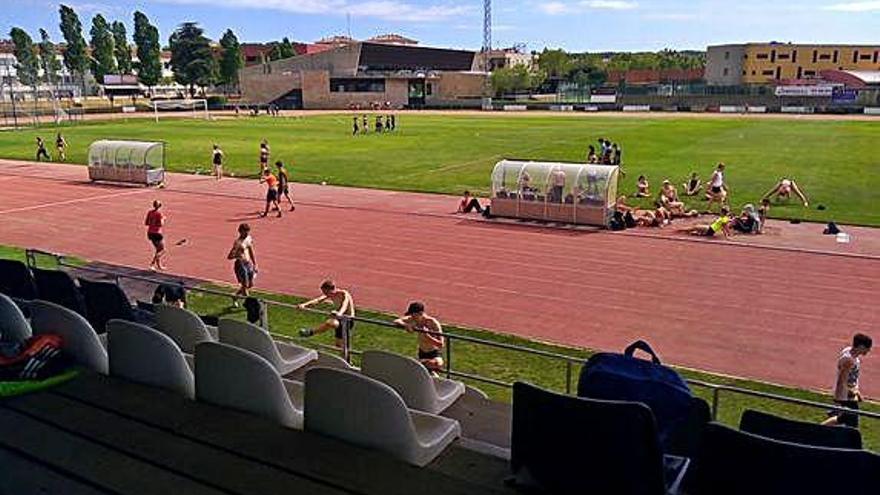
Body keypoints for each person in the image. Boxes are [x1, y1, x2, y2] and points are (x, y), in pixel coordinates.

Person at [822, 333, 871, 428]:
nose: (868, 350)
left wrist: (857, 392)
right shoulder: (849, 360)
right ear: (861, 346)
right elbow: (842, 381)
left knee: (842, 419)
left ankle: (818, 430)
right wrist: (840, 400)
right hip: (846, 397)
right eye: (867, 348)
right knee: (852, 424)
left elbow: (851, 379)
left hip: (849, 395)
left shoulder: (850, 352)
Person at [298, 279, 356, 349]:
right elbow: (318, 300)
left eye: (326, 292)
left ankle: (311, 332)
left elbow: (345, 305)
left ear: (331, 290)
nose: (325, 294)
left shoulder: (344, 294)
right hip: (339, 319)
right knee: (338, 345)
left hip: (347, 320)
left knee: (331, 323)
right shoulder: (330, 294)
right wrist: (304, 304)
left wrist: (339, 313)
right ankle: (345, 358)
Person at [393, 301, 445, 375]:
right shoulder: (413, 319)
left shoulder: (433, 323)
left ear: (420, 313)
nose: (412, 317)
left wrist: (427, 336)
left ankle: (420, 366)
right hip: (422, 353)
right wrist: (406, 325)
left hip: (434, 354)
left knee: (434, 365)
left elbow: (441, 344)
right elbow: (396, 321)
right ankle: (424, 368)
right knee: (427, 372)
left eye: (413, 315)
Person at [227, 223, 257, 302]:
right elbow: (229, 256)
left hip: (248, 263)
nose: (247, 233)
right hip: (240, 264)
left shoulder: (248, 238)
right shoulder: (238, 243)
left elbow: (251, 250)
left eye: (248, 231)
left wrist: (254, 263)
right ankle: (249, 303)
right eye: (245, 232)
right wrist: (237, 255)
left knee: (250, 285)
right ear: (240, 232)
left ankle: (235, 296)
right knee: (245, 285)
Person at [144, 200, 166, 270]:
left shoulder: (150, 212)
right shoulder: (159, 214)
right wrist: (163, 219)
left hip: (150, 232)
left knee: (158, 250)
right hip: (157, 233)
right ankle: (152, 264)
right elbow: (161, 224)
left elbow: (146, 223)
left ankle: (159, 265)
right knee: (162, 250)